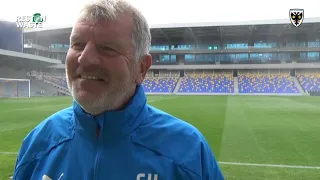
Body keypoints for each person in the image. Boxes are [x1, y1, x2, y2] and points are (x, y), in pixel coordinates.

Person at [13, 0, 224, 179]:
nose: (84, 58)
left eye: (107, 48)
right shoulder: (37, 144)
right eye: (77, 44)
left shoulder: (189, 151)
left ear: (141, 68)